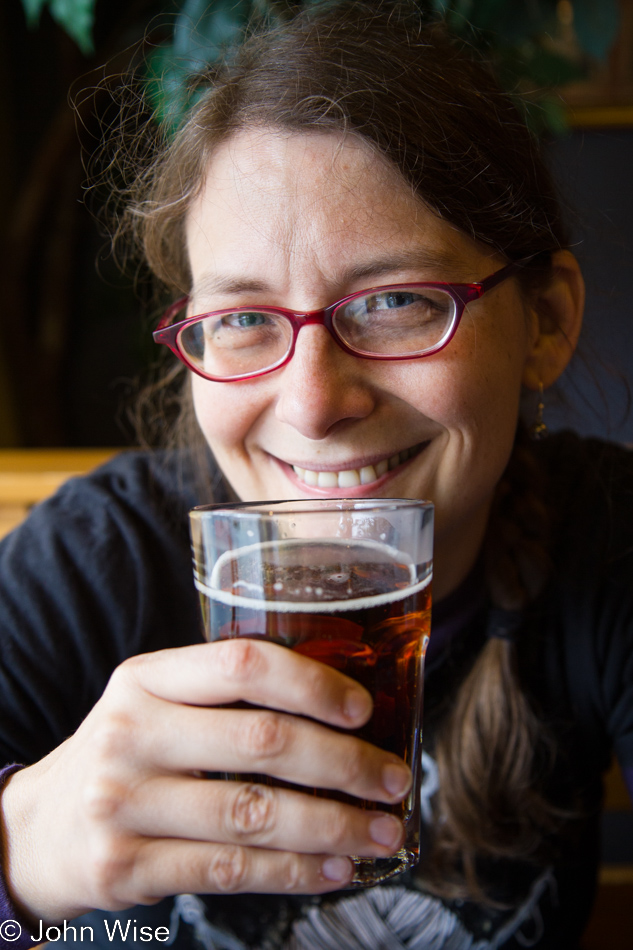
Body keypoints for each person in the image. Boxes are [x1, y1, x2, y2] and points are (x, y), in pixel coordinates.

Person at [0, 2, 631, 947]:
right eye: (246, 318)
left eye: (394, 303)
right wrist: (19, 854)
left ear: (543, 322)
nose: (309, 404)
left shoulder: (606, 539)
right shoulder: (93, 563)